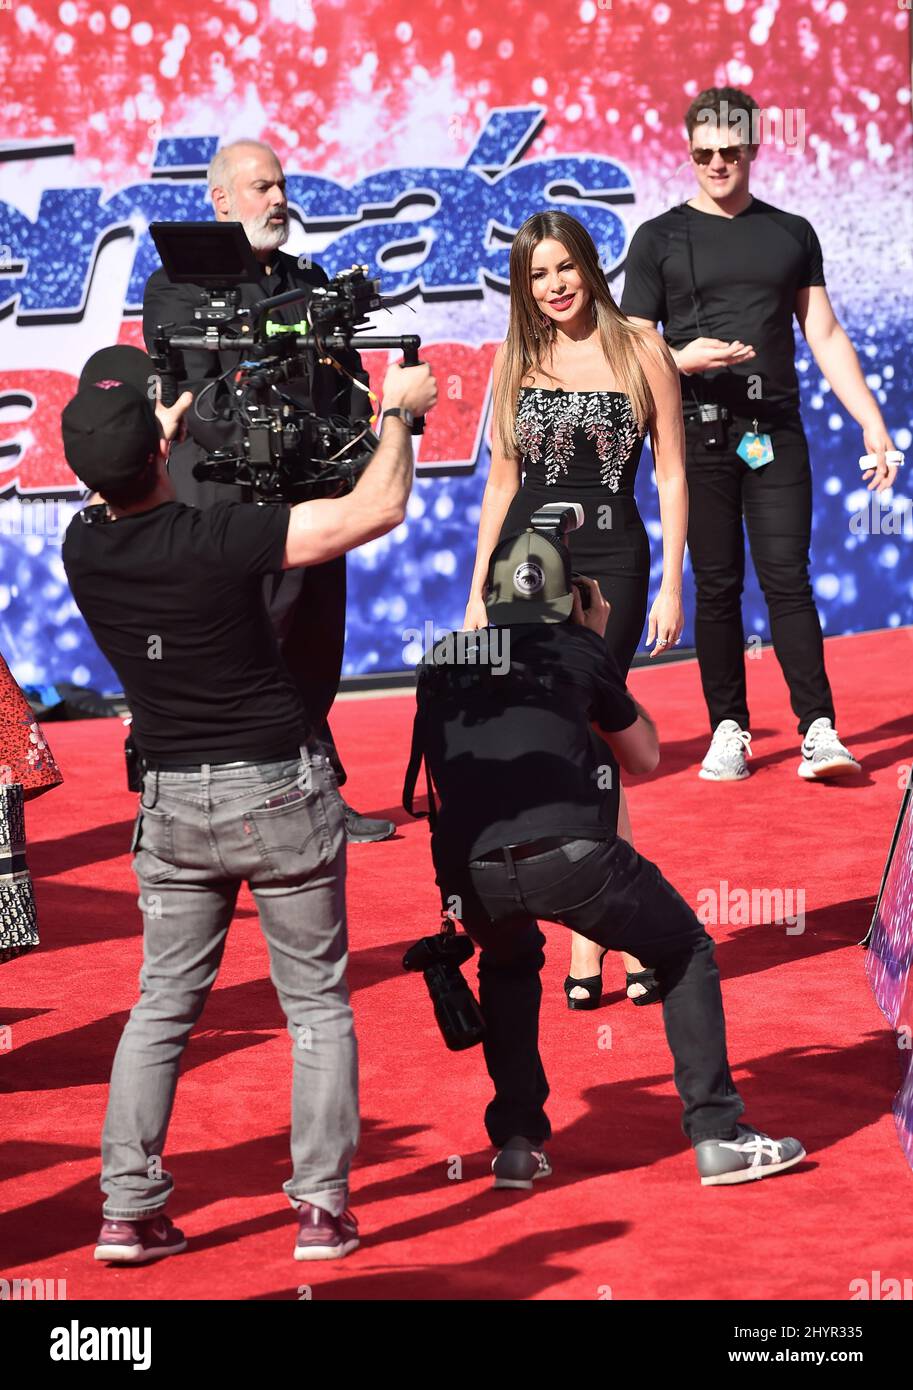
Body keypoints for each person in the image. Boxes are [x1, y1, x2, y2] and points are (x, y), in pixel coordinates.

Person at [61, 344, 437, 1264]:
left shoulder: (83, 546)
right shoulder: (221, 538)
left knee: (161, 1008)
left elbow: (120, 486)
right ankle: (320, 1212)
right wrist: (397, 413)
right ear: (159, 452)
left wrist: (156, 432)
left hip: (169, 806)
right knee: (315, 1005)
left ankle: (126, 1210)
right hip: (275, 792)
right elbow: (378, 509)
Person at [409, 524, 805, 1190]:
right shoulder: (577, 648)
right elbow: (643, 757)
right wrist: (592, 644)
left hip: (469, 872)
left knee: (508, 965)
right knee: (684, 949)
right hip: (571, 856)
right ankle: (718, 1135)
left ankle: (517, 1144)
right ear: (572, 597)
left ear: (490, 595)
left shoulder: (443, 658)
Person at [620, 86, 901, 783]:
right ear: (688, 153)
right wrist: (683, 359)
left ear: (752, 147)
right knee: (716, 585)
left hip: (774, 431)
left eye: (729, 150)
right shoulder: (656, 238)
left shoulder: (790, 232)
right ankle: (728, 730)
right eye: (703, 153)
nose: (717, 164)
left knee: (787, 578)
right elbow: (630, 349)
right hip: (697, 435)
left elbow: (824, 333)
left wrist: (871, 420)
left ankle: (818, 729)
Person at [463, 210, 687, 1010]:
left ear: (589, 267)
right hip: (526, 567)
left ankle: (601, 933)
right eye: (536, 275)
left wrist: (671, 583)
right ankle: (616, 929)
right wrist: (475, 593)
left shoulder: (641, 347)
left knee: (594, 733)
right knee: (561, 744)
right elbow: (501, 483)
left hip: (613, 559)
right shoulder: (514, 358)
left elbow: (671, 473)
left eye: (564, 268)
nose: (554, 286)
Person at [143, 138, 393, 843]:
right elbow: (194, 398)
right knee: (249, 652)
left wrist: (348, 454)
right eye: (262, 187)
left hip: (314, 495)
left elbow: (349, 379)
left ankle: (316, 795)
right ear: (221, 200)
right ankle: (243, 804)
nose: (279, 199)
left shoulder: (309, 279)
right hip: (229, 505)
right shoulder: (176, 286)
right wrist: (269, 448)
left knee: (315, 644)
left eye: (281, 185)